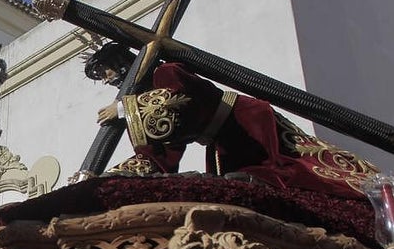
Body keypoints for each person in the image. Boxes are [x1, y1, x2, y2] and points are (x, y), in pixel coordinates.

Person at [85, 42, 379, 198]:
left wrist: (124, 109)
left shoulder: (167, 72)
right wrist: (113, 177)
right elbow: (161, 155)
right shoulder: (146, 93)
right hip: (220, 142)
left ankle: (368, 188)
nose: (111, 81)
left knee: (297, 167)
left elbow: (182, 103)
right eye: (105, 79)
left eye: (110, 72)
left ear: (124, 63)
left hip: (246, 122)